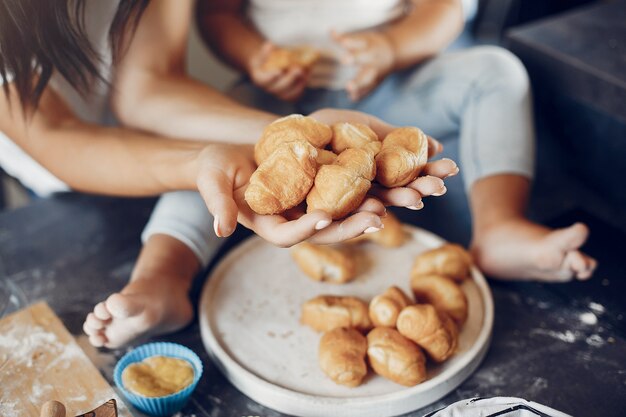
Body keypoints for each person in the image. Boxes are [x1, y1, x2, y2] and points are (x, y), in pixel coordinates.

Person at [0, 0, 455, 348]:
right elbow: (56, 135)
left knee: (224, 167)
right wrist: (198, 163)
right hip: (54, 176)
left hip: (148, 126)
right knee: (208, 178)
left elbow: (147, 87)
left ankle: (165, 281)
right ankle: (161, 279)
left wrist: (293, 138)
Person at [198, 0, 597, 282]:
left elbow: (443, 8)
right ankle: (166, 266)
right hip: (274, 101)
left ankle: (500, 226)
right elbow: (217, 13)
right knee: (203, 142)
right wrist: (255, 58)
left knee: (497, 70)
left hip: (392, 87)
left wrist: (393, 47)